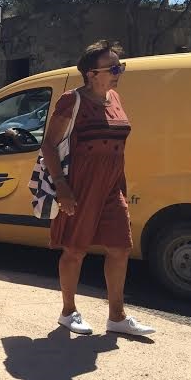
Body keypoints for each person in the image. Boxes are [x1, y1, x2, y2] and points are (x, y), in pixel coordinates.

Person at [40, 40, 155, 336]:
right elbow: (49, 145)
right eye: (113, 69)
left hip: (112, 186)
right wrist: (62, 187)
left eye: (120, 67)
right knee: (75, 250)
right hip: (80, 185)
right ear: (92, 74)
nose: (119, 73)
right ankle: (68, 312)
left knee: (121, 247)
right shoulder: (72, 100)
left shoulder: (114, 98)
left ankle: (117, 317)